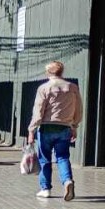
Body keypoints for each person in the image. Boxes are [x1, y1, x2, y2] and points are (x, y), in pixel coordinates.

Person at [28, 61, 83, 201]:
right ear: (61, 72)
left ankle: (45, 189)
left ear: (48, 73)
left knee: (45, 159)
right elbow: (79, 109)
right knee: (63, 157)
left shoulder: (44, 88)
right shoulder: (73, 87)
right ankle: (67, 181)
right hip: (65, 128)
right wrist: (74, 126)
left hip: (46, 128)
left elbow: (38, 111)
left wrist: (31, 130)